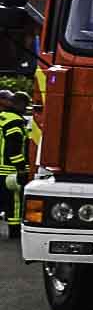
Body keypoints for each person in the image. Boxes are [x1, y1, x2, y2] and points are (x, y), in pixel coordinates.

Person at [0, 90, 28, 236]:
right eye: (25, 105)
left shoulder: (2, 118)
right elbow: (14, 149)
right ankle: (14, 231)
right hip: (8, 171)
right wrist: (21, 168)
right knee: (15, 203)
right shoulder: (14, 122)